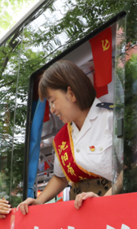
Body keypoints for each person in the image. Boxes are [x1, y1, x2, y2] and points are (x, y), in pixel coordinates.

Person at [18, 60, 117, 214]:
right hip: (79, 213)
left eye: (52, 101)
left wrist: (103, 201)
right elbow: (61, 177)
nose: (52, 110)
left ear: (71, 93)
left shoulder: (111, 119)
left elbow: (127, 170)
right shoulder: (62, 138)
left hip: (113, 209)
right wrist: (39, 201)